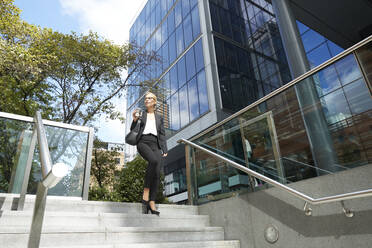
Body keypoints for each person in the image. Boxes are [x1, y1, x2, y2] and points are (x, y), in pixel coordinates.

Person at [130, 92, 168, 216]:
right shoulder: (142, 115)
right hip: (143, 142)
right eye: (146, 98)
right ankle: (145, 193)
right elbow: (134, 130)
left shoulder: (159, 117)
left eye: (149, 98)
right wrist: (135, 120)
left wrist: (164, 149)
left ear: (154, 101)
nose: (147, 100)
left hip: (155, 144)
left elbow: (162, 134)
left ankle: (152, 202)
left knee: (157, 173)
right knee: (153, 161)